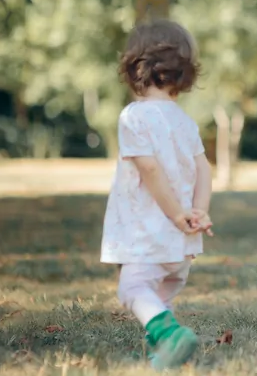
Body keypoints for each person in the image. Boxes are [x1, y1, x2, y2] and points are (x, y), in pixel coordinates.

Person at [100, 19, 214, 370]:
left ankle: (171, 336)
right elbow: (204, 169)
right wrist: (198, 211)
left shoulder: (134, 117)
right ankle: (162, 353)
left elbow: (149, 169)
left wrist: (176, 214)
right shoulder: (184, 121)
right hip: (179, 246)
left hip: (149, 234)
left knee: (132, 289)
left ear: (135, 67)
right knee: (160, 297)